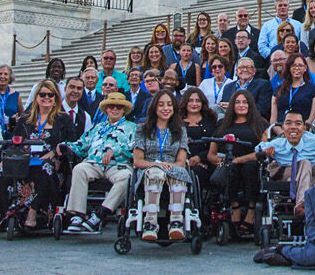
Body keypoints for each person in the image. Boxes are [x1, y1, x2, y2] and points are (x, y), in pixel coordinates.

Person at [0, 79, 73, 229]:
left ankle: (34, 211)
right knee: (4, 168)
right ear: (36, 97)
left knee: (45, 168)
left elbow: (72, 143)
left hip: (51, 159)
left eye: (50, 95)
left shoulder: (63, 119)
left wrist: (54, 152)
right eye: (42, 94)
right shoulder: (26, 119)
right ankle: (6, 212)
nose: (46, 98)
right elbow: (15, 140)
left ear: (56, 98)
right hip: (26, 158)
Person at [61, 92, 137, 233]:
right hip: (94, 163)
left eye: (119, 107)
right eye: (111, 106)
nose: (115, 109)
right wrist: (63, 146)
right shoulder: (98, 128)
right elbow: (81, 144)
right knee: (79, 169)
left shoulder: (133, 128)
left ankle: (100, 214)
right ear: (107, 109)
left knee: (127, 177)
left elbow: (136, 147)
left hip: (117, 165)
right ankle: (78, 215)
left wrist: (115, 150)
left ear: (123, 110)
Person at [131, 90, 191, 241]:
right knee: (156, 173)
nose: (166, 108)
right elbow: (138, 161)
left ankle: (176, 221)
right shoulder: (142, 129)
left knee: (179, 172)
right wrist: (158, 165)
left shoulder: (181, 130)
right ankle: (150, 223)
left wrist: (168, 167)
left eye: (170, 105)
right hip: (149, 168)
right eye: (161, 105)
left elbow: (181, 161)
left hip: (173, 168)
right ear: (154, 108)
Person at [208, 89, 270, 233]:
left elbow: (263, 150)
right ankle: (234, 206)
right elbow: (211, 154)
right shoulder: (223, 124)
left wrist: (239, 160)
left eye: (244, 102)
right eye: (237, 102)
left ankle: (251, 209)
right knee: (230, 167)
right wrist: (222, 161)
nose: (241, 105)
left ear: (250, 105)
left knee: (250, 167)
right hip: (226, 161)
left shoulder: (261, 124)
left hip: (253, 161)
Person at [256, 111, 315, 214]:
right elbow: (258, 148)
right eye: (288, 123)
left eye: (298, 123)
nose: (293, 127)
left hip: (312, 175)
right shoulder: (278, 143)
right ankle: (303, 204)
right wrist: (266, 152)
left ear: (304, 128)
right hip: (287, 173)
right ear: (283, 127)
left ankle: (310, 208)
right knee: (304, 163)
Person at [180, 87, 218, 187]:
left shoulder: (210, 120)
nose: (194, 104)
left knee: (199, 172)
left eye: (197, 101)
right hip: (182, 161)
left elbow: (214, 145)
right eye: (190, 101)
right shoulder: (177, 121)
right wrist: (188, 160)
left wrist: (200, 158)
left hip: (206, 161)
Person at [271, 54, 315, 126]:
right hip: (281, 131)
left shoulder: (313, 90)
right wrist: (282, 133)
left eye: (300, 65)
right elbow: (273, 121)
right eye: (294, 65)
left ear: (305, 68)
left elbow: (311, 120)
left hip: (303, 132)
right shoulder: (279, 90)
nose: (297, 68)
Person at [0, 64, 23, 129]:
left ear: (10, 77)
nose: (2, 76)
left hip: (10, 132)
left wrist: (16, 119)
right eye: (0, 74)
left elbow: (22, 114)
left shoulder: (16, 96)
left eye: (6, 74)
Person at [62, 76, 92, 140]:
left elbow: (86, 141)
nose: (75, 91)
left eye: (79, 88)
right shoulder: (53, 111)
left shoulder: (86, 117)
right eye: (72, 87)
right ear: (65, 88)